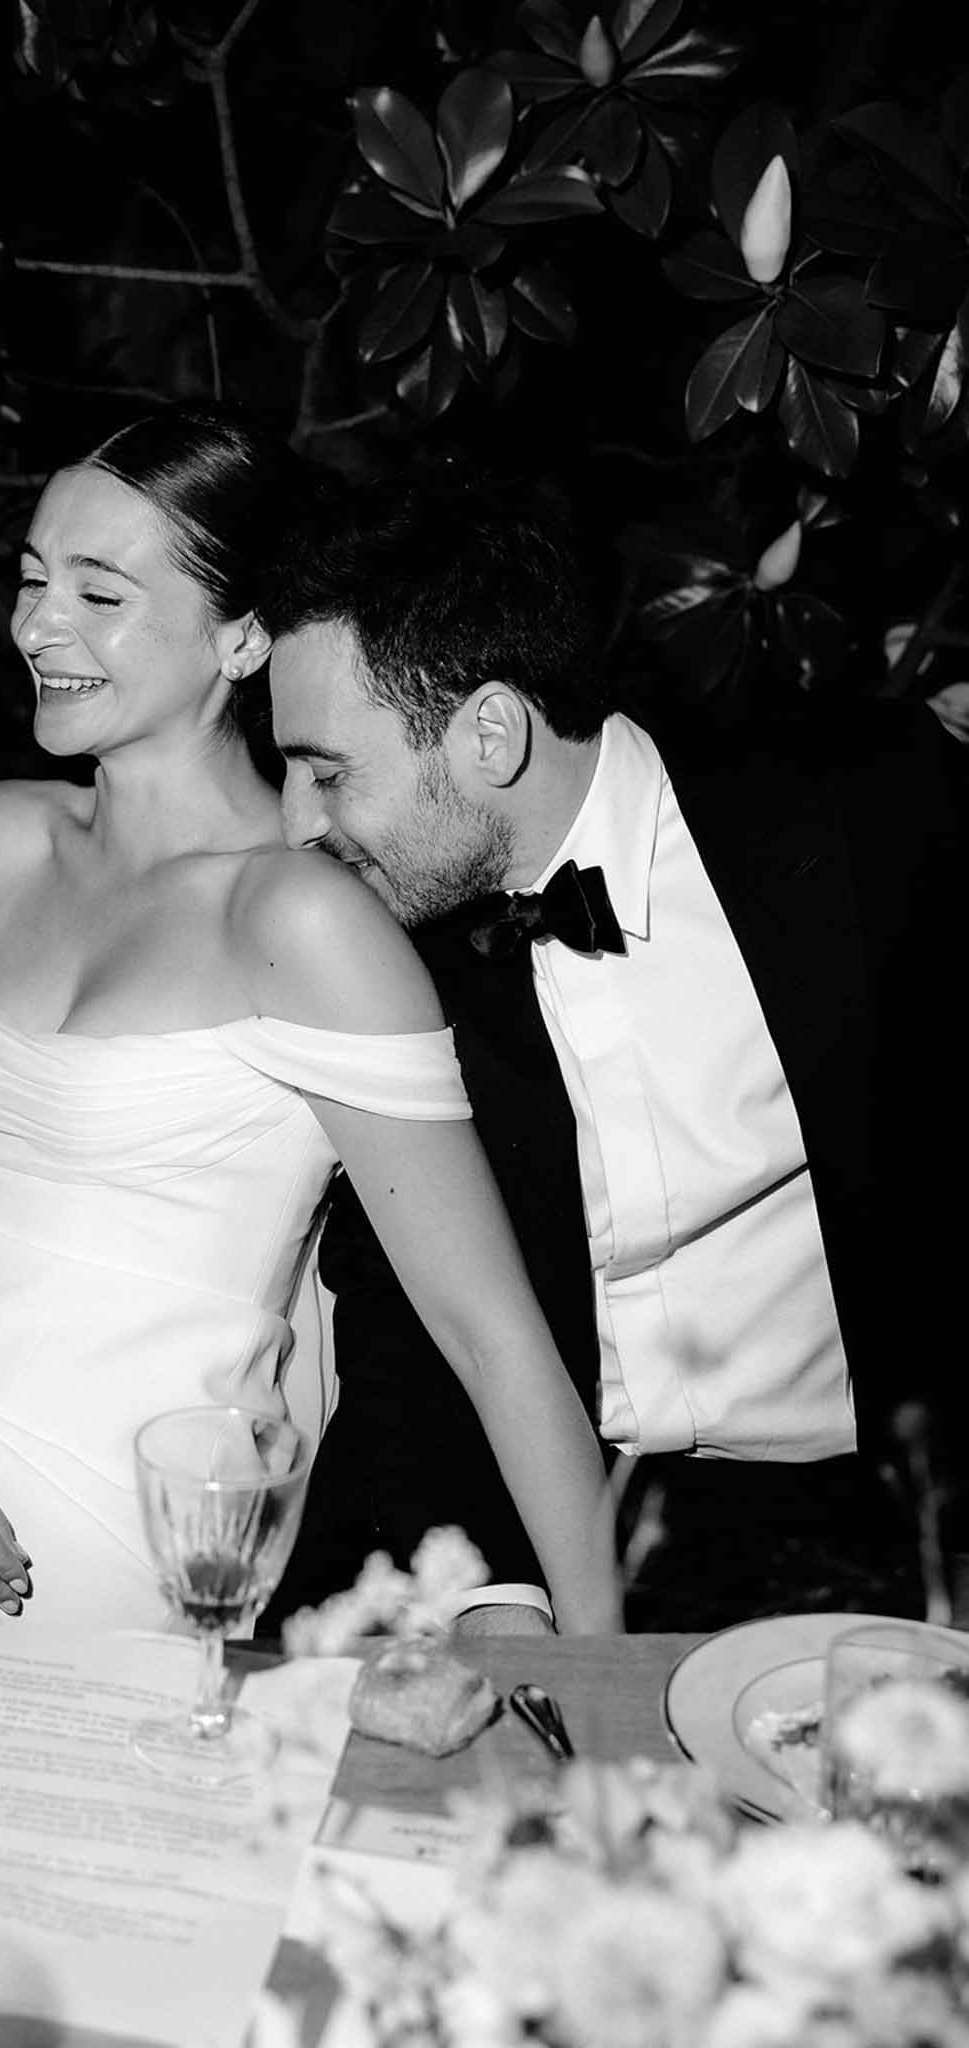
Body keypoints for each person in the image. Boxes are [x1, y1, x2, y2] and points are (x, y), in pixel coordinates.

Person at [0, 405, 619, 1642]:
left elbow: (491, 1332)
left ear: (242, 636)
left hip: (68, 1518)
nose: (38, 626)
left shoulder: (303, 918)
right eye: (32, 582)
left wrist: (603, 1670)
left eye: (100, 592)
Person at [257, 461, 968, 1637]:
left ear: (489, 732)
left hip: (872, 1528)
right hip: (559, 1521)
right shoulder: (391, 953)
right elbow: (406, 1328)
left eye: (327, 769)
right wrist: (492, 1593)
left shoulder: (860, 823)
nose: (296, 820)